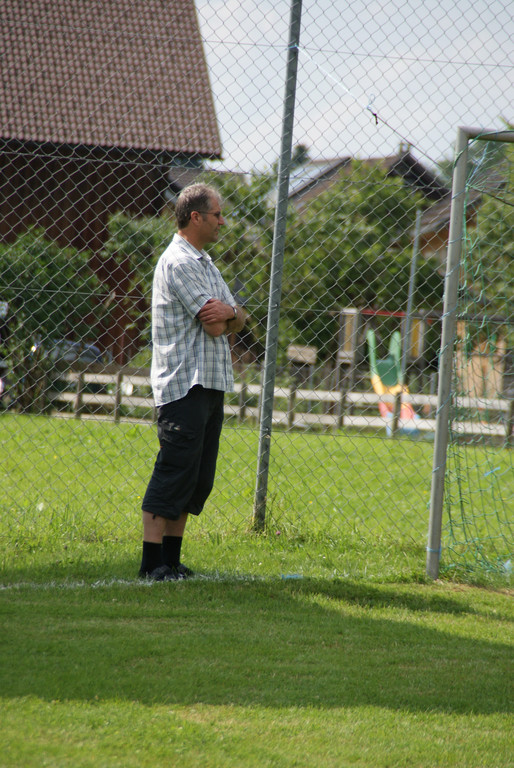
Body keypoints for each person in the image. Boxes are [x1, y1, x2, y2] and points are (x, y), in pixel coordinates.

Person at [138, 183, 247, 580]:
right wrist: (230, 315)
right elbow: (217, 326)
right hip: (184, 384)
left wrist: (231, 312)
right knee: (174, 470)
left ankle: (171, 560)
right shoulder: (179, 262)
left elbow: (239, 316)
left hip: (209, 383)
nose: (223, 221)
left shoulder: (206, 263)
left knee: (196, 476)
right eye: (217, 214)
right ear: (196, 217)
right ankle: (151, 564)